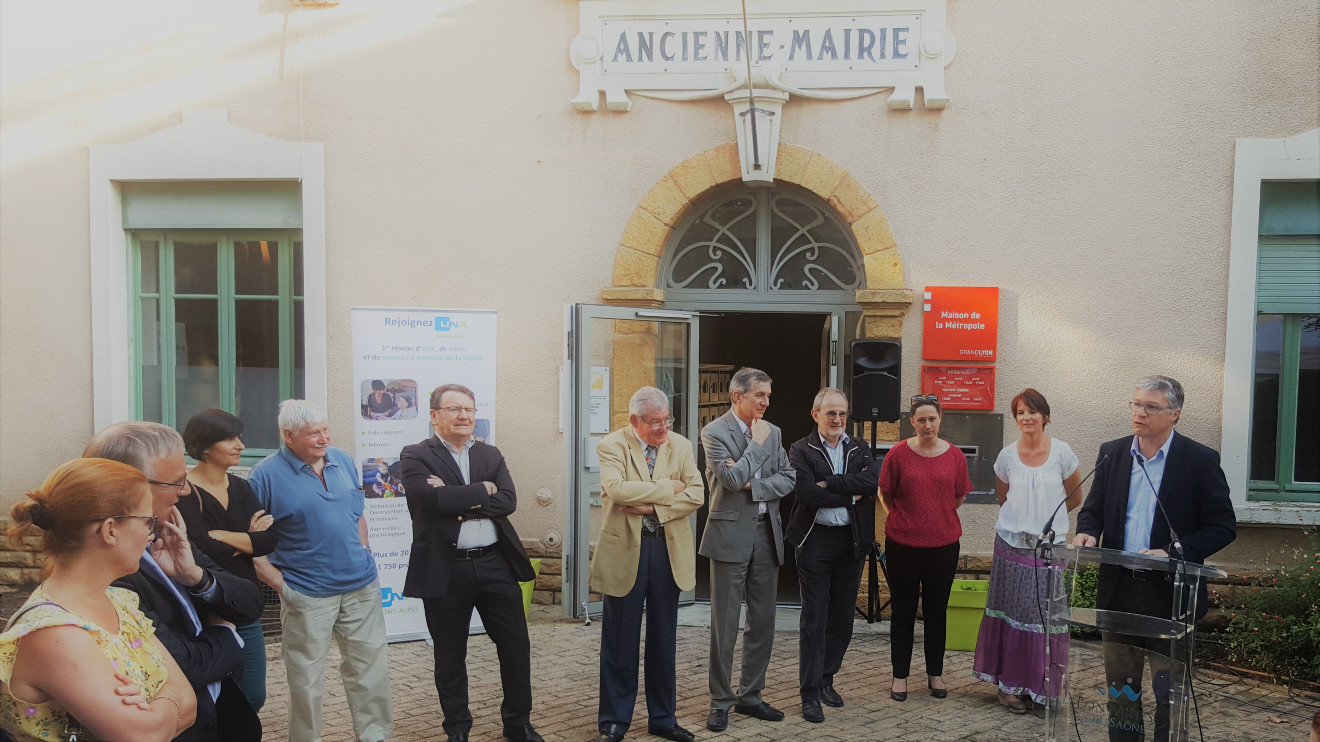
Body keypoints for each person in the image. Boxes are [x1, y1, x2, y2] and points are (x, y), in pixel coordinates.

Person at [1073, 376, 1236, 742]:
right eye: (1136, 404)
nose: (1139, 413)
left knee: (1169, 696)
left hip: (1171, 596)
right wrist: (1088, 532)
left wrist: (1174, 552)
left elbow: (1223, 527)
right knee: (1122, 695)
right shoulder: (1112, 453)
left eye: (1150, 407)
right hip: (1119, 592)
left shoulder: (1199, 460)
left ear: (1175, 414)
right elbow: (1093, 511)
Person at [85, 421, 265, 742]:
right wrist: (224, 629)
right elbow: (182, 665)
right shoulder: (107, 571)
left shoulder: (165, 534)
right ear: (131, 485)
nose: (184, 491)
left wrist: (197, 578)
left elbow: (251, 603)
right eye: (178, 481)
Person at [0, 458, 198, 742]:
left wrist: (154, 706)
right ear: (110, 530)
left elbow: (190, 700)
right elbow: (144, 735)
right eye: (148, 520)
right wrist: (165, 696)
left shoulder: (117, 600)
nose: (151, 532)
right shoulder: (54, 634)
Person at [397, 384, 542, 742]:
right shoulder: (415, 455)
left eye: (469, 409)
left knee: (514, 645)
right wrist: (482, 490)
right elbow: (427, 499)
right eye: (454, 409)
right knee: (449, 655)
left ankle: (518, 723)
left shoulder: (490, 454)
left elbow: (508, 501)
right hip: (446, 568)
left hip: (495, 564)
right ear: (434, 416)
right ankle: (457, 729)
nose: (464, 416)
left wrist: (452, 494)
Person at [248, 400, 393, 742]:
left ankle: (375, 736)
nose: (323, 438)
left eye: (325, 429)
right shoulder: (264, 475)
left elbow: (356, 513)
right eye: (313, 433)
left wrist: (365, 552)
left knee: (370, 671)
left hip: (361, 586)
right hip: (307, 594)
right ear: (289, 435)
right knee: (306, 680)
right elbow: (249, 541)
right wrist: (283, 586)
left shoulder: (342, 459)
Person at [589, 387, 704, 742]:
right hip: (627, 550)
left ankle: (663, 719)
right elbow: (617, 489)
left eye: (667, 419)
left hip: (667, 550)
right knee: (620, 640)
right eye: (655, 421)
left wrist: (652, 506)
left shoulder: (681, 445)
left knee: (664, 639)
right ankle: (614, 722)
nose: (662, 427)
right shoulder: (612, 445)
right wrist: (669, 487)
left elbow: (697, 493)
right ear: (634, 421)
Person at [697, 367, 796, 733]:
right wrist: (755, 447)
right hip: (728, 536)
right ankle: (721, 701)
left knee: (763, 621)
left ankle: (751, 695)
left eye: (769, 395)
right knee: (725, 624)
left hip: (766, 535)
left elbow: (789, 478)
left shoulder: (776, 432)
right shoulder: (713, 432)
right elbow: (730, 479)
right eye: (760, 395)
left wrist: (755, 487)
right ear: (737, 396)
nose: (766, 402)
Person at [972, 389, 1082, 713]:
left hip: (1050, 549)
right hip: (1011, 547)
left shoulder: (1062, 452)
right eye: (1020, 412)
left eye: (1032, 411)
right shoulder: (1007, 456)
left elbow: (1074, 497)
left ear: (1045, 417)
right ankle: (1008, 689)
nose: (1026, 417)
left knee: (1044, 618)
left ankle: (1039, 687)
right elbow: (1003, 497)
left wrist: (1047, 520)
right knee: (1014, 615)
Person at [785, 388, 877, 723]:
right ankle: (809, 694)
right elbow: (806, 492)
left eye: (842, 413)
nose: (837, 420)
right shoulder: (800, 449)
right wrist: (850, 496)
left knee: (842, 618)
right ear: (816, 415)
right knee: (814, 619)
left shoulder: (859, 447)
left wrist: (834, 484)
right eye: (830, 414)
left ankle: (826, 678)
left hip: (850, 542)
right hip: (815, 543)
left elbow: (871, 481)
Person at [180, 409, 279, 713]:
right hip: (203, 611)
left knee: (252, 695)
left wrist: (221, 534)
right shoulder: (184, 491)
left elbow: (269, 539)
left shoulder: (241, 487)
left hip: (243, 605)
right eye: (230, 438)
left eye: (239, 437)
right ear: (205, 445)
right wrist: (245, 539)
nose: (241, 445)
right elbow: (200, 550)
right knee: (211, 697)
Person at [878, 394, 971, 702]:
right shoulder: (898, 454)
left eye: (932, 418)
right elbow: (885, 491)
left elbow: (958, 496)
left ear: (940, 419)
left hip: (943, 546)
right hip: (903, 545)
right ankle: (899, 676)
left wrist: (937, 516)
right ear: (912, 422)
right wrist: (901, 517)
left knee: (936, 612)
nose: (927, 424)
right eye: (921, 419)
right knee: (902, 611)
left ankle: (935, 673)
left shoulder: (955, 455)